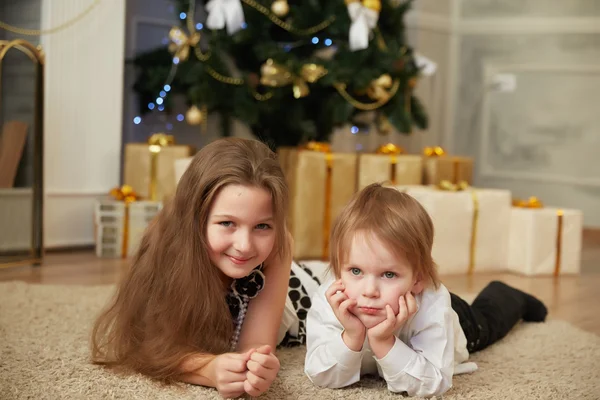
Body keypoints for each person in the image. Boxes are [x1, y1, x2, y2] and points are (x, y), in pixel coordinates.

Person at [91, 137, 315, 399]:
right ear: (195, 219)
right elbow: (148, 346)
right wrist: (209, 368)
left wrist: (255, 368)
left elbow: (254, 347)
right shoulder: (166, 244)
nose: (244, 245)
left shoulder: (279, 244)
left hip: (302, 289)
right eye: (227, 223)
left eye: (262, 226)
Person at [304, 183, 548, 397]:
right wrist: (352, 336)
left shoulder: (431, 302)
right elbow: (319, 374)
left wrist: (384, 341)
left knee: (490, 319)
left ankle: (507, 293)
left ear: (418, 278)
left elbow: (434, 382)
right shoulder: (332, 298)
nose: (369, 291)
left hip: (458, 318)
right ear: (338, 268)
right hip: (400, 299)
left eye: (388, 274)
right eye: (355, 271)